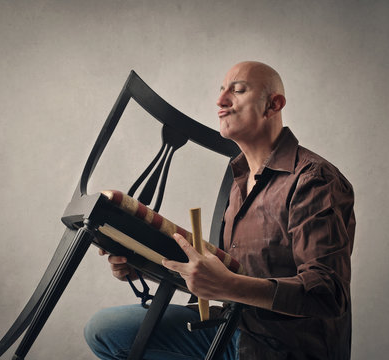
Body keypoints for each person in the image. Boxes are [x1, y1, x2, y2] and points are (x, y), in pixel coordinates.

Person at [84, 61, 355, 359]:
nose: (221, 100)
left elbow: (327, 293)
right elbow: (225, 274)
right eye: (221, 90)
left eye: (238, 90)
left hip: (280, 348)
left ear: (273, 105)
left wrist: (230, 286)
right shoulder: (240, 178)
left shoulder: (313, 179)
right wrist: (143, 266)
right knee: (107, 330)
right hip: (232, 328)